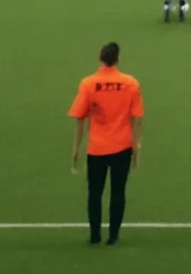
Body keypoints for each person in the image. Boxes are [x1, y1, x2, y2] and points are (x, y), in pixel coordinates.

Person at [68, 42, 143, 247]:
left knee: (95, 192)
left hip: (97, 148)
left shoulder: (88, 84)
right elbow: (136, 119)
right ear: (118, 59)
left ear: (100, 59)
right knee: (118, 191)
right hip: (122, 146)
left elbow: (79, 119)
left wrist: (75, 149)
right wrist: (136, 148)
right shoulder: (131, 84)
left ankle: (94, 236)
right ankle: (113, 236)